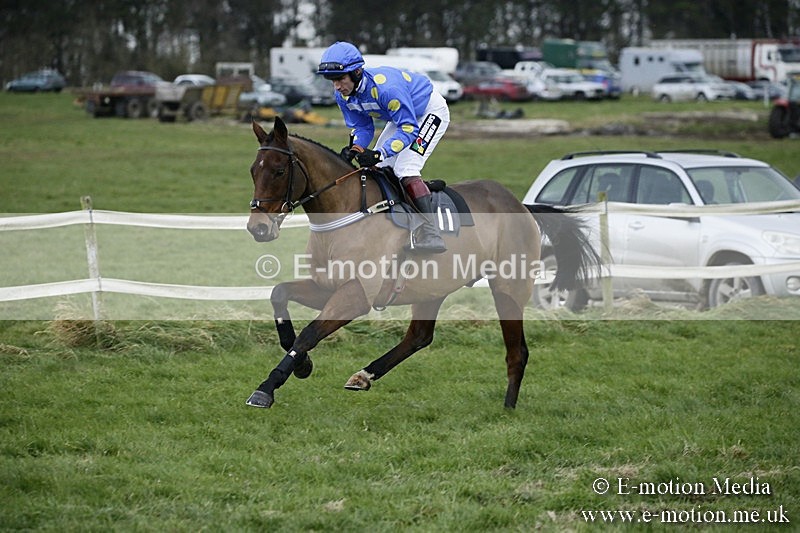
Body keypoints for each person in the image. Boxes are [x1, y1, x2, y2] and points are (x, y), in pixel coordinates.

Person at [317, 41, 449, 254]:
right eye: (332, 81)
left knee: (405, 168)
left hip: (428, 112)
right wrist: (356, 148)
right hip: (402, 117)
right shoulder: (342, 95)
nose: (337, 86)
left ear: (357, 72)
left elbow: (408, 129)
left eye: (340, 79)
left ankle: (431, 232)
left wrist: (379, 152)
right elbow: (362, 126)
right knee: (376, 169)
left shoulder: (387, 88)